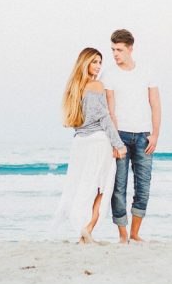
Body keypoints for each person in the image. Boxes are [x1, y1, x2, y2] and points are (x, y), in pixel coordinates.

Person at [53, 47, 126, 244]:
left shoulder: (73, 89)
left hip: (79, 143)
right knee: (102, 187)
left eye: (100, 62)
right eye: (94, 61)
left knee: (84, 186)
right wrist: (118, 144)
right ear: (84, 63)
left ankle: (84, 231)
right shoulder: (96, 86)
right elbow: (105, 117)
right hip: (97, 141)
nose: (98, 66)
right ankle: (88, 228)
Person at [103, 29, 161, 243]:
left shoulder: (146, 71)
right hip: (120, 136)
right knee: (119, 186)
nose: (115, 54)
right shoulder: (108, 74)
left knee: (143, 185)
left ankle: (136, 234)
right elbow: (110, 110)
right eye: (113, 50)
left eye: (119, 50)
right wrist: (116, 142)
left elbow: (155, 103)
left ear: (130, 49)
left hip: (144, 136)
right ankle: (123, 235)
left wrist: (155, 134)